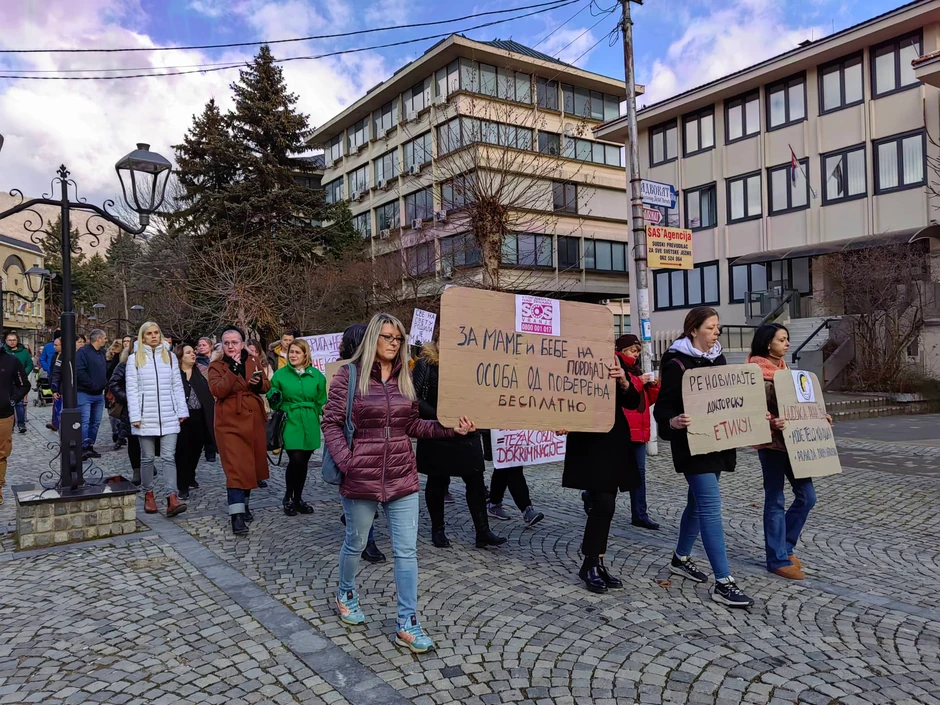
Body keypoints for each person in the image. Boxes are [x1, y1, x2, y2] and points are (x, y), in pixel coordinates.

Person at [322, 313, 474, 654]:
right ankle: (346, 590)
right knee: (356, 542)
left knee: (407, 552)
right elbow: (331, 423)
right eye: (387, 337)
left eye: (398, 338)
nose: (394, 342)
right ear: (373, 338)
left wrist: (451, 429)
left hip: (402, 477)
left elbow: (415, 426)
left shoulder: (405, 377)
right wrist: (348, 462)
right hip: (360, 476)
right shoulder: (349, 376)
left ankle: (407, 622)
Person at [654, 307, 754, 608]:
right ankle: (724, 582)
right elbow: (662, 408)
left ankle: (680, 558)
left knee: (697, 505)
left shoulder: (719, 359)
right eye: (711, 327)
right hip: (692, 446)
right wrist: (673, 422)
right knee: (710, 506)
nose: (716, 332)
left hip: (719, 442)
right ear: (693, 330)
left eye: (718, 327)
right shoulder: (676, 363)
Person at [748, 323, 826, 581]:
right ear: (767, 343)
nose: (787, 343)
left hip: (796, 443)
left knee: (808, 497)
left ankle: (786, 545)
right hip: (771, 445)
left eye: (788, 339)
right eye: (782, 339)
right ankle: (777, 558)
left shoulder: (787, 371)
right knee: (775, 500)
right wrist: (770, 422)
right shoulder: (753, 373)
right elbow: (751, 410)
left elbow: (800, 404)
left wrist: (819, 416)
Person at [413, 340, 506, 549]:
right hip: (437, 430)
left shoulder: (471, 362)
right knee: (437, 481)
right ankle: (438, 530)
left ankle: (483, 531)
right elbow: (414, 397)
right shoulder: (425, 363)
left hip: (467, 432)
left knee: (475, 480)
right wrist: (442, 417)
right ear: (437, 340)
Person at [562, 349, 642, 593]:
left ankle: (595, 562)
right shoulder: (568, 357)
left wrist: (624, 381)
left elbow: (633, 402)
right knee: (603, 504)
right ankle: (590, 563)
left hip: (613, 440)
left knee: (606, 505)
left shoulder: (613, 359)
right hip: (588, 441)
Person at [208, 326, 271, 536]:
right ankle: (236, 516)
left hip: (252, 418)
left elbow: (265, 385)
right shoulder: (216, 365)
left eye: (234, 342)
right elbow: (218, 390)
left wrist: (257, 384)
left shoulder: (252, 360)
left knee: (249, 465)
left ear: (242, 343)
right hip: (229, 422)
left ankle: (244, 506)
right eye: (226, 342)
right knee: (235, 468)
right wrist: (233, 370)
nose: (230, 346)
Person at [126, 322, 189, 517]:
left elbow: (176, 386)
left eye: (156, 333)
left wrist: (181, 410)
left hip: (169, 415)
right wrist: (135, 415)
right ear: (142, 337)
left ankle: (172, 497)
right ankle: (149, 494)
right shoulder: (134, 359)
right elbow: (132, 389)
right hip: (146, 416)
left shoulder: (169, 357)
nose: (153, 336)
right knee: (148, 458)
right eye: (149, 334)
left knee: (169, 457)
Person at [337, 323, 386, 564]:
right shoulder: (345, 373)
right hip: (356, 449)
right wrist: (347, 460)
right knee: (362, 495)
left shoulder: (383, 374)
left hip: (379, 449)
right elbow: (333, 420)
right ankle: (369, 541)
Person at [268, 339, 326, 515]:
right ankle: (288, 497)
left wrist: (319, 415)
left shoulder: (317, 376)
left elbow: (321, 400)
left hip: (309, 421)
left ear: (305, 354)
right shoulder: (280, 375)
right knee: (295, 460)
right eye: (291, 352)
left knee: (304, 463)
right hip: (290, 420)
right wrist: (274, 396)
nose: (293, 355)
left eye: (297, 352)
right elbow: (273, 401)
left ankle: (298, 498)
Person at [614, 334, 661, 530]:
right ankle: (591, 495)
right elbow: (626, 395)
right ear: (623, 350)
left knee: (639, 474)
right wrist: (639, 381)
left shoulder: (636, 370)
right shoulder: (617, 368)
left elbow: (646, 401)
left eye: (637, 352)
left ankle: (639, 514)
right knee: (615, 472)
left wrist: (654, 385)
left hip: (640, 429)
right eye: (633, 351)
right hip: (623, 429)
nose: (635, 355)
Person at [175, 344, 215, 500]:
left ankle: (190, 475)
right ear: (180, 356)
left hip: (200, 416)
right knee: (182, 452)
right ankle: (182, 485)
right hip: (182, 419)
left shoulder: (202, 372)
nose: (193, 354)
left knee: (196, 450)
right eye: (188, 352)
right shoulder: (175, 374)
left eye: (193, 352)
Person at [483, 431, 544, 528]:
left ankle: (494, 504)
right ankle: (526, 509)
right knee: (511, 467)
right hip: (499, 432)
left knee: (504, 468)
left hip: (512, 432)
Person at [108, 347, 144, 485]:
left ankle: (147, 463)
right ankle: (136, 469)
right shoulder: (123, 365)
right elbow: (114, 383)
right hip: (129, 408)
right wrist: (127, 397)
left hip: (148, 406)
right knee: (133, 439)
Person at [0, 344, 29, 504]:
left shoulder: (11, 361)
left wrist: (11, 400)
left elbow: (24, 384)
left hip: (3, 414)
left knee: (1, 453)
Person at [76, 329, 109, 460]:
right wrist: (91, 384)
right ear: (98, 339)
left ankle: (90, 446)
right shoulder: (83, 352)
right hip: (85, 393)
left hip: (98, 394)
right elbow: (79, 371)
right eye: (104, 338)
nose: (106, 340)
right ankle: (82, 448)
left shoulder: (101, 353)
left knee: (95, 422)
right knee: (84, 421)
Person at [4, 331, 33, 433]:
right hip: (6, 382)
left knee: (19, 403)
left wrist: (23, 374)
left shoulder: (23, 352)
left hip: (19, 381)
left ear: (17, 341)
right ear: (6, 341)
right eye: (9, 340)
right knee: (6, 403)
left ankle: (21, 424)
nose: (12, 342)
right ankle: (9, 425)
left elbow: (30, 364)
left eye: (14, 340)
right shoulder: (4, 351)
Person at [106, 339, 125, 447]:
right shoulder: (111, 359)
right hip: (112, 391)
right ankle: (116, 433)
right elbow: (109, 374)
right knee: (113, 413)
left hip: (120, 390)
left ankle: (121, 435)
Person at [46, 337, 63, 432]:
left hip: (62, 386)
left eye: (56, 345)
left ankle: (58, 424)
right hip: (56, 385)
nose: (54, 347)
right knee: (56, 406)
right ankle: (55, 423)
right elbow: (53, 371)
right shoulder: (55, 356)